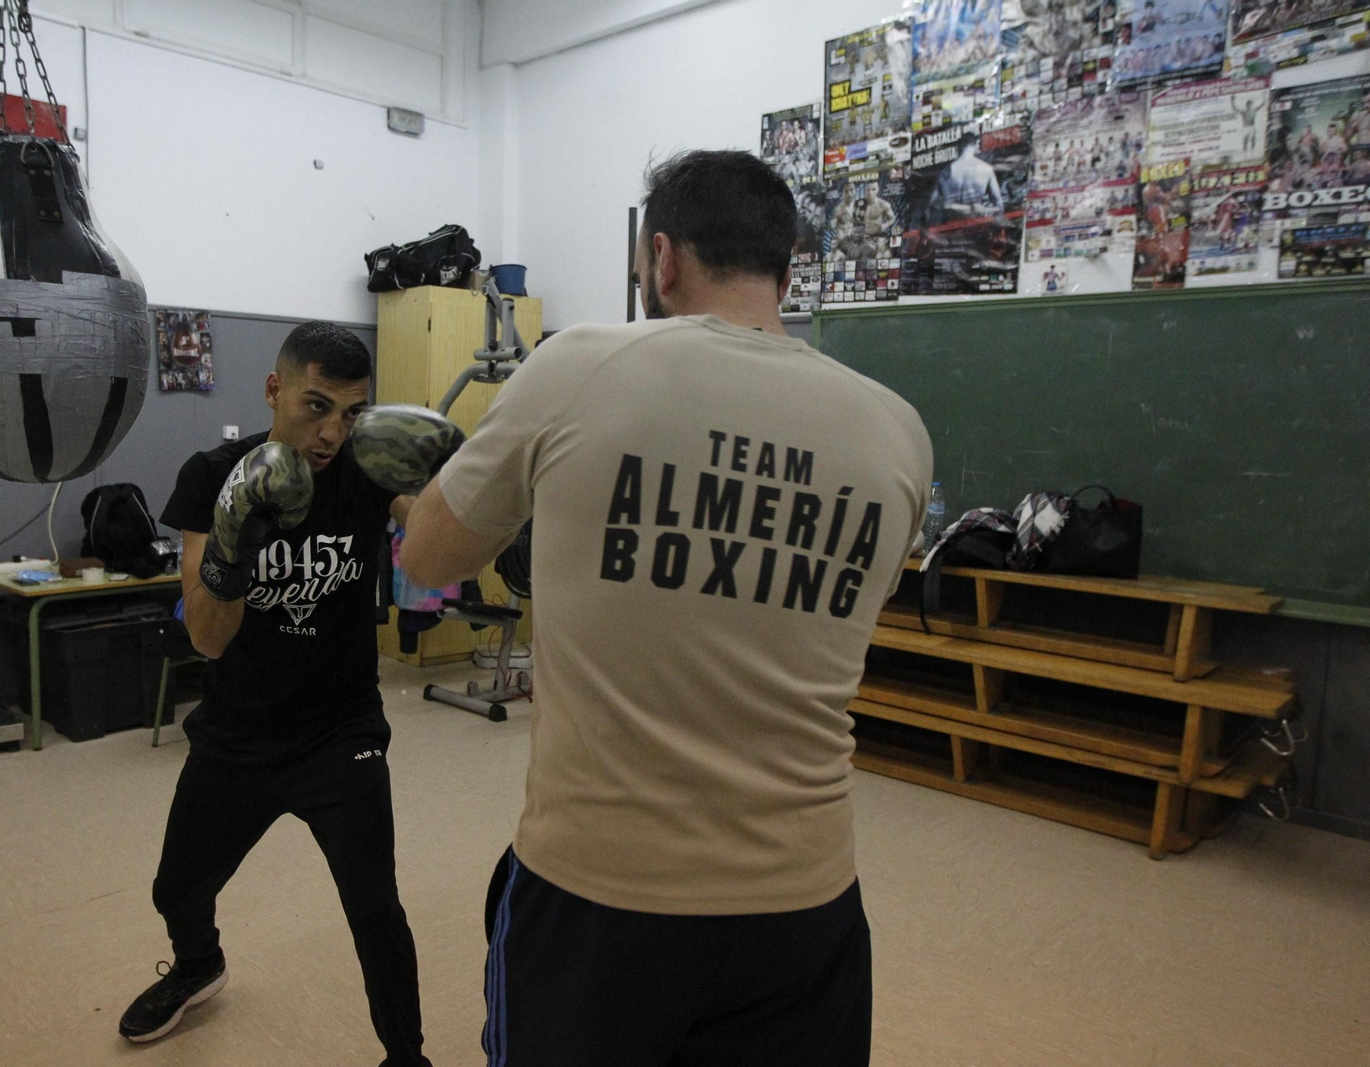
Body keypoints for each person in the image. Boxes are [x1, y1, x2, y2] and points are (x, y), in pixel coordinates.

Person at [396, 149, 933, 1066]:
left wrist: (423, 501)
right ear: (786, 267)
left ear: (663, 260)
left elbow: (428, 563)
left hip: (602, 894)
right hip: (804, 904)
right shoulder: (897, 431)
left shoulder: (580, 366)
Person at [118, 321, 443, 1067]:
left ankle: (407, 1057)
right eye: (316, 406)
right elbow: (206, 637)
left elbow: (432, 542)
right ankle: (199, 964)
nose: (333, 432)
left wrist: (460, 489)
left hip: (341, 730)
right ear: (274, 390)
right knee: (176, 888)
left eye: (353, 413)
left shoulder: (366, 470)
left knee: (375, 907)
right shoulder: (213, 476)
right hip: (238, 731)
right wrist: (235, 547)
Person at [929, 129, 1005, 222]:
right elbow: (999, 204)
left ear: (959, 147)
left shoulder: (944, 173)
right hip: (977, 220)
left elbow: (932, 204)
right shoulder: (986, 169)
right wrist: (980, 210)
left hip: (952, 222)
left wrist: (953, 207)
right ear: (977, 143)